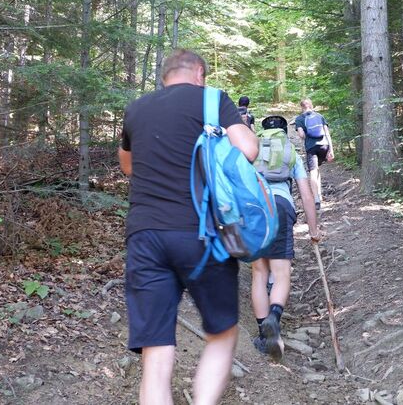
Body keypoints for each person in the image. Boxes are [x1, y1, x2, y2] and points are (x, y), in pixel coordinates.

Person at [118, 49, 258, 405]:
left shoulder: (136, 109)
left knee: (155, 350)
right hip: (201, 234)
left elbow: (128, 166)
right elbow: (249, 150)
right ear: (198, 73)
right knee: (222, 333)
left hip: (144, 236)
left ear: (164, 75)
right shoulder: (212, 99)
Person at [250, 115, 320, 361]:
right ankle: (274, 317)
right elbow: (307, 196)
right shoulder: (291, 154)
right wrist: (313, 229)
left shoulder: (253, 150)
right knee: (281, 274)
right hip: (281, 207)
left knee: (259, 273)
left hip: (255, 209)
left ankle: (263, 335)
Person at [294, 98, 334, 210]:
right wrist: (331, 150)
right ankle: (319, 194)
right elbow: (327, 133)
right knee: (317, 170)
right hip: (324, 146)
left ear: (302, 107)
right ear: (311, 105)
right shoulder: (319, 116)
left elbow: (301, 135)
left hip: (311, 147)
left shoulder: (299, 119)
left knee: (313, 171)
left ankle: (316, 198)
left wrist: (305, 134)